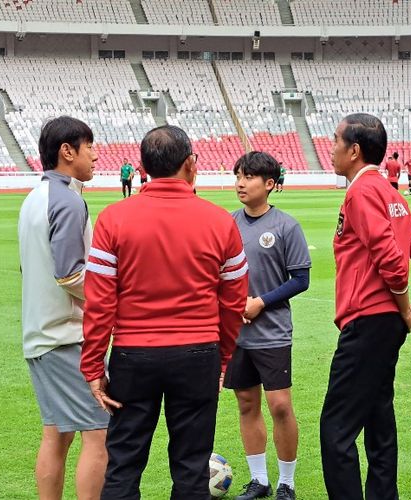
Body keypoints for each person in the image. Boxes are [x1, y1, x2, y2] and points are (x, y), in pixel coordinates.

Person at [80, 125, 249, 500]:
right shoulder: (221, 221)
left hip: (133, 356)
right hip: (197, 353)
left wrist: (93, 367)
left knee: (123, 465)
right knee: (191, 469)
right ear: (190, 164)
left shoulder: (113, 219)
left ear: (142, 167)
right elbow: (234, 302)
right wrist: (221, 359)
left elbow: (99, 302)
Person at [320, 113, 411, 500]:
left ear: (353, 151)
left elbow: (391, 260)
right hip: (385, 325)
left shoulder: (361, 192)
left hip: (369, 322)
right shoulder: (391, 194)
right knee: (378, 421)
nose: (331, 147)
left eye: (336, 141)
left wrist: (409, 309)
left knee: (336, 429)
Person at [17, 116, 108, 500]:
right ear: (67, 152)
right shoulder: (68, 200)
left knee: (57, 433)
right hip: (65, 336)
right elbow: (71, 275)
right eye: (89, 147)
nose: (95, 156)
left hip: (40, 334)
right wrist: (111, 303)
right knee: (100, 433)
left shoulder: (34, 198)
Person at [225, 152, 311, 500]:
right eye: (238, 176)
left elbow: (301, 279)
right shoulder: (228, 223)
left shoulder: (286, 226)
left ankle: (286, 482)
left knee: (279, 405)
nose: (240, 183)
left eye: (248, 177)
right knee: (246, 403)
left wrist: (261, 302)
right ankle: (258, 480)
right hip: (237, 333)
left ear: (270, 184)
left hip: (272, 331)